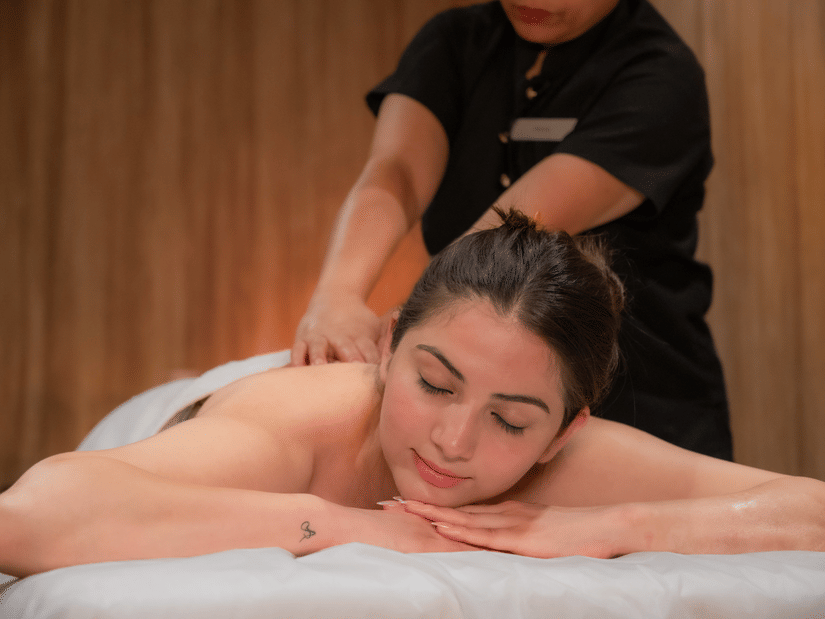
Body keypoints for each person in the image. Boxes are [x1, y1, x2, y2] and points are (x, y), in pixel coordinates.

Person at [2, 210, 823, 579]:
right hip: (187, 414)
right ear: (391, 344)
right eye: (434, 382)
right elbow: (29, 518)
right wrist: (360, 528)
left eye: (508, 418)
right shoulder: (301, 424)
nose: (454, 440)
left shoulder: (568, 462)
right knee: (184, 393)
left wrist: (613, 524)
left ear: (563, 431)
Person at [291, 0, 733, 460]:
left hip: (636, 406)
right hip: (483, 396)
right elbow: (396, 172)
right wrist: (337, 295)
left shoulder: (661, 77)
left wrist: (418, 342)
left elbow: (506, 236)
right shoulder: (454, 40)